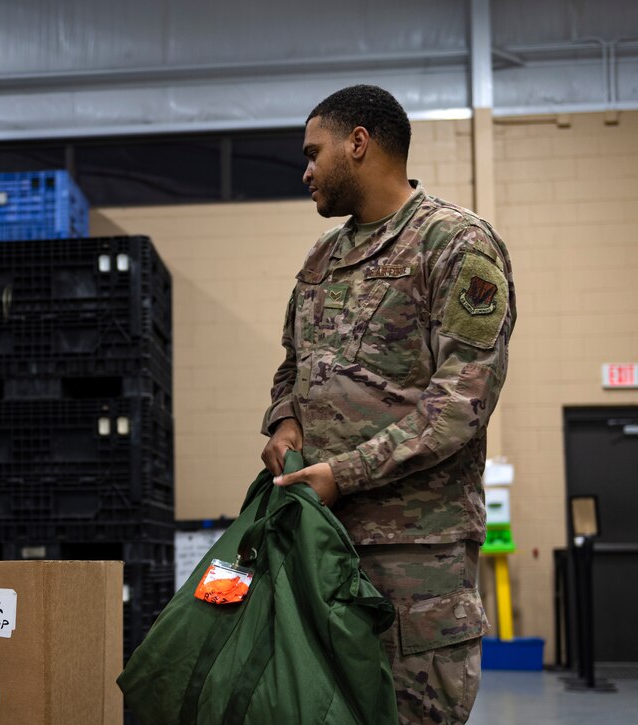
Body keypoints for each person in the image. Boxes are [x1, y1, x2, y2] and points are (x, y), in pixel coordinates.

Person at [260, 85, 516, 724]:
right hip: (323, 547)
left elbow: (460, 402)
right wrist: (284, 418)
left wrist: (342, 475)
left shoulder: (453, 244)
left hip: (413, 557)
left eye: (315, 152)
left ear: (358, 144)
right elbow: (292, 363)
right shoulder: (322, 260)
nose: (307, 169)